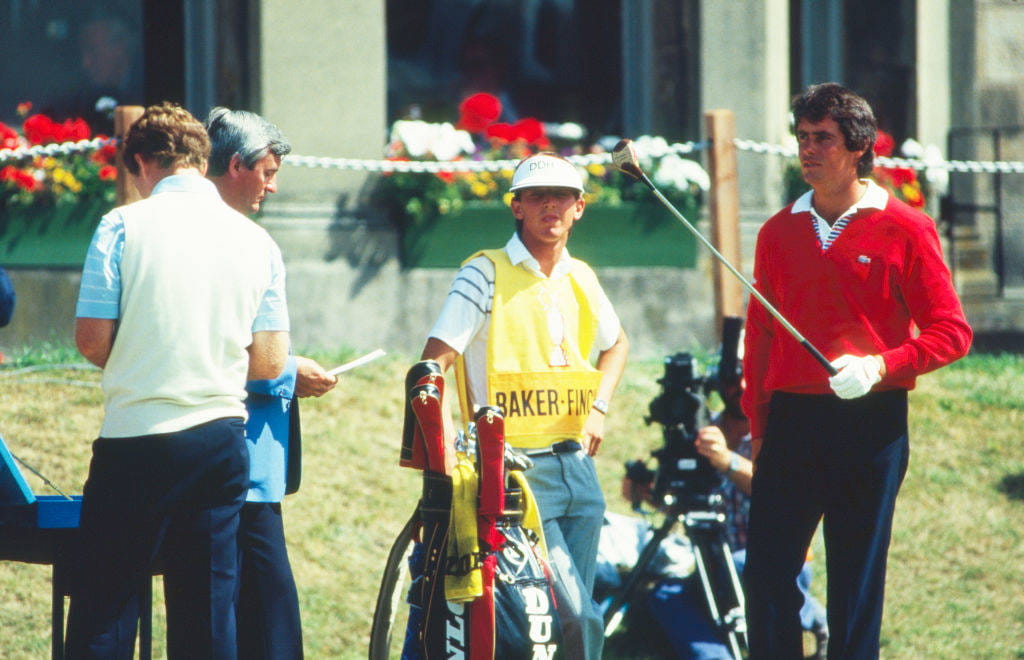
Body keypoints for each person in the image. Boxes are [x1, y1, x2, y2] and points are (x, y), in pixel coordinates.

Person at [741, 83, 972, 659]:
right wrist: (761, 428)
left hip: (870, 423)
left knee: (853, 587)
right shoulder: (777, 232)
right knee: (767, 579)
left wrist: (880, 366)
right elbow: (762, 341)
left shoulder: (906, 228)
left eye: (823, 138)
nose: (808, 150)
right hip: (792, 424)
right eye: (802, 138)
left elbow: (951, 331)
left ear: (858, 147)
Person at [67, 102, 290, 659]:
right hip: (218, 440)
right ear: (201, 158)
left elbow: (93, 340)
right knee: (208, 617)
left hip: (135, 437)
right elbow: (269, 360)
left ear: (141, 163)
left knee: (107, 609)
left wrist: (149, 354)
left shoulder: (120, 224)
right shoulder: (257, 241)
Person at [420, 152, 629, 659]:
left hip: (578, 471)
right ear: (517, 207)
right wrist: (446, 450)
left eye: (562, 196)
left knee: (569, 620)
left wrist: (599, 407)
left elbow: (617, 343)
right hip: (514, 474)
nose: (550, 206)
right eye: (537, 196)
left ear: (580, 208)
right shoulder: (483, 273)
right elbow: (433, 366)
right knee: (574, 616)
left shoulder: (582, 276)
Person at [206, 106, 337, 659]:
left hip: (236, 463)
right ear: (236, 165)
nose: (274, 188)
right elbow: (224, 350)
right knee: (270, 623)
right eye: (267, 172)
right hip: (238, 464)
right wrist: (287, 369)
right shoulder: (244, 244)